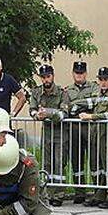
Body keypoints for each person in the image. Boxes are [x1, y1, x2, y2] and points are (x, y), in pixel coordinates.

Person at [78, 66, 108, 207]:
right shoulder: (97, 93)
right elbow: (87, 104)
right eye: (100, 79)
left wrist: (91, 116)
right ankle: (99, 195)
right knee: (96, 167)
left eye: (105, 80)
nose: (103, 82)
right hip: (96, 134)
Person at [27, 64, 69, 205]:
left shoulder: (62, 93)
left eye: (48, 76)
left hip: (60, 132)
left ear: (53, 76)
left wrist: (49, 113)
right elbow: (31, 109)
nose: (46, 80)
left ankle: (59, 194)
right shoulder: (37, 92)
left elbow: (64, 113)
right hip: (46, 132)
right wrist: (36, 115)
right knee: (46, 163)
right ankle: (46, 193)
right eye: (43, 77)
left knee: (59, 163)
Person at [64, 61, 100, 204]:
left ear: (86, 73)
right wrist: (83, 104)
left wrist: (77, 105)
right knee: (76, 161)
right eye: (76, 73)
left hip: (90, 127)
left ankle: (98, 191)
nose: (79, 75)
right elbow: (67, 106)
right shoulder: (68, 90)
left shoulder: (94, 87)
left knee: (94, 160)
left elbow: (96, 102)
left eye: (81, 73)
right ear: (73, 73)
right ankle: (80, 191)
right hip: (74, 128)